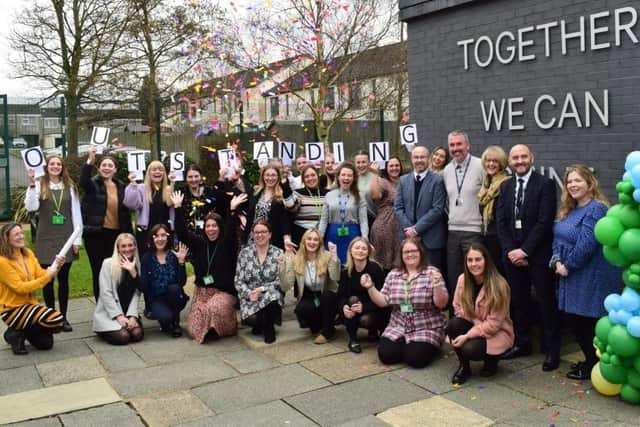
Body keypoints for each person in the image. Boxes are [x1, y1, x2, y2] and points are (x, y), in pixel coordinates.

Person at [551, 165, 621, 380]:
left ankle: (595, 363)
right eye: (569, 181)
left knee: (587, 323)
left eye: (577, 180)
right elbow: (558, 237)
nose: (572, 185)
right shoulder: (569, 210)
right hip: (569, 274)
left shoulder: (596, 208)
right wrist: (555, 259)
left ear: (590, 183)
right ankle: (591, 361)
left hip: (590, 275)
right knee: (576, 322)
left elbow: (587, 244)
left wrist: (567, 266)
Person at [496, 144, 560, 371]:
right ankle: (523, 343)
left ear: (532, 158)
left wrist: (525, 251)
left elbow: (545, 221)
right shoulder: (505, 186)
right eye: (515, 158)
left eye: (524, 157)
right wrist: (511, 251)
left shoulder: (546, 184)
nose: (520, 161)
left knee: (545, 302)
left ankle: (552, 349)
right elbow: (501, 222)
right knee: (519, 301)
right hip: (512, 255)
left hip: (539, 255)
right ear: (510, 162)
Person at [171, 190, 247, 343]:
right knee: (193, 329)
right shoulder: (200, 243)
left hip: (223, 293)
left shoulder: (226, 244)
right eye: (208, 226)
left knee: (212, 308)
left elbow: (232, 231)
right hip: (202, 292)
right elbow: (183, 233)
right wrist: (178, 208)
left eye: (214, 226)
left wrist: (232, 210)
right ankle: (210, 327)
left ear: (220, 227)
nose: (211, 229)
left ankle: (227, 324)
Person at [364, 238, 449, 368]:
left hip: (426, 326)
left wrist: (437, 285)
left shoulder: (432, 272)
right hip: (398, 325)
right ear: (401, 255)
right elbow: (383, 301)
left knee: (415, 360)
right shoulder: (393, 274)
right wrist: (370, 287)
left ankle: (431, 344)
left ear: (421, 253)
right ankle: (408, 345)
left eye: (414, 251)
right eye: (406, 252)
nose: (410, 254)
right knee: (386, 356)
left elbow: (441, 304)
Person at [25, 154, 82, 332]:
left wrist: (77, 239)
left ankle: (63, 317)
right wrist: (32, 183)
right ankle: (51, 317)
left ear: (62, 167)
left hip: (66, 237)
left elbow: (76, 213)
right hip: (46, 238)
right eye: (52, 164)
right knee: (47, 279)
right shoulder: (39, 185)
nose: (55, 166)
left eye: (58, 164)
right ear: (47, 166)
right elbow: (31, 207)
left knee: (63, 280)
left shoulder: (70, 186)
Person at [447, 243, 514, 384]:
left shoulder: (499, 285)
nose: (474, 264)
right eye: (470, 260)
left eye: (478, 259)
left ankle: (492, 360)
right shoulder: (462, 280)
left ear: (486, 261)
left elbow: (493, 325)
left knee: (469, 349)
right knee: (453, 324)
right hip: (475, 325)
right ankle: (464, 367)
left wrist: (467, 335)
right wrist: (475, 324)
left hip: (497, 332)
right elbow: (457, 308)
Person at [0, 223, 65, 355]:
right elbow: (20, 288)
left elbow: (41, 274)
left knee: (46, 344)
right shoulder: (3, 261)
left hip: (29, 306)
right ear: (7, 239)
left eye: (21, 233)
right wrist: (47, 276)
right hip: (11, 309)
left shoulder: (28, 254)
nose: (21, 236)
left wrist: (57, 267)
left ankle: (16, 333)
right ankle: (16, 333)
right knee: (56, 318)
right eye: (16, 234)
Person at [81, 146, 132, 302]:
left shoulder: (122, 186)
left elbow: (127, 210)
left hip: (117, 236)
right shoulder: (93, 184)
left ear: (115, 169)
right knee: (99, 272)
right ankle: (101, 307)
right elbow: (83, 181)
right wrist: (90, 160)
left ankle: (117, 305)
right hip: (96, 235)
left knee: (117, 272)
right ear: (99, 168)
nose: (107, 168)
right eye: (104, 165)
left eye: (110, 165)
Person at [443, 130, 485, 301]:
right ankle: (457, 319)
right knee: (454, 278)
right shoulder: (446, 170)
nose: (455, 148)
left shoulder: (481, 165)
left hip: (474, 231)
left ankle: (477, 317)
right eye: (452, 145)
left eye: (459, 144)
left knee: (475, 278)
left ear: (467, 145)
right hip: (453, 232)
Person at [282, 230, 340, 344]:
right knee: (302, 309)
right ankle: (324, 327)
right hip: (310, 295)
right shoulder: (296, 258)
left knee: (326, 297)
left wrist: (334, 255)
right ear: (304, 241)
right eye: (309, 239)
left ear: (320, 243)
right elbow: (286, 285)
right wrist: (285, 262)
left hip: (327, 295)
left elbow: (336, 277)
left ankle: (327, 332)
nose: (312, 242)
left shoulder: (327, 256)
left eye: (315, 239)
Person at [394, 146, 447, 271]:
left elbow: (437, 209)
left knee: (432, 277)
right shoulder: (403, 180)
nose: (419, 160)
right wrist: (410, 231)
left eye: (422, 157)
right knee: (409, 275)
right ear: (411, 159)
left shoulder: (437, 180)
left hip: (431, 240)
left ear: (428, 159)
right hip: (407, 238)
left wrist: (417, 229)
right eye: (416, 157)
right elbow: (398, 207)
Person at [235, 221, 286, 344]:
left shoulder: (278, 253)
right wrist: (249, 293)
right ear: (252, 234)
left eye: (263, 232)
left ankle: (269, 330)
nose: (260, 235)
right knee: (254, 318)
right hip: (250, 298)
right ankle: (261, 324)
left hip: (269, 294)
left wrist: (262, 289)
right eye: (257, 232)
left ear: (269, 235)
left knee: (272, 296)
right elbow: (238, 280)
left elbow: (281, 281)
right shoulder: (244, 253)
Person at [338, 237, 388, 353]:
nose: (360, 251)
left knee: (366, 319)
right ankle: (353, 339)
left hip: (374, 307)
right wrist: (344, 307)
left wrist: (364, 307)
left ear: (368, 252)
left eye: (364, 249)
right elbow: (341, 295)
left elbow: (383, 297)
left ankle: (374, 331)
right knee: (351, 301)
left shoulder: (375, 269)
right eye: (357, 248)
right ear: (351, 250)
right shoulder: (346, 271)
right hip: (354, 305)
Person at [93, 233, 144, 345]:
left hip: (128, 311)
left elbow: (137, 293)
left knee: (137, 334)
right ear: (118, 248)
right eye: (123, 246)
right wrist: (119, 316)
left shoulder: (138, 265)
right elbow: (106, 293)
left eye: (130, 245)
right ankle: (104, 330)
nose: (127, 249)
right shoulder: (108, 264)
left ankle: (128, 323)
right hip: (110, 313)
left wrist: (133, 316)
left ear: (135, 246)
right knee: (123, 337)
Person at [139, 224, 189, 337]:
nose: (160, 239)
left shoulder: (174, 255)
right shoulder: (146, 258)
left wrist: (181, 262)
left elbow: (182, 282)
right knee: (166, 317)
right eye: (156, 236)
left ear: (168, 237)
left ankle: (176, 324)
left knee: (174, 288)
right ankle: (166, 320)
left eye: (163, 235)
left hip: (175, 296)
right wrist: (134, 273)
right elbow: (143, 287)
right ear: (152, 238)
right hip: (156, 298)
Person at [319, 162, 369, 264]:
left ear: (353, 178)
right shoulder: (329, 195)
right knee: (333, 265)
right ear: (338, 177)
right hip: (332, 236)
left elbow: (364, 221)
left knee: (350, 265)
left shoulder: (359, 196)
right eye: (343, 175)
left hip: (353, 237)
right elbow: (323, 220)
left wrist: (364, 239)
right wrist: (319, 238)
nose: (346, 178)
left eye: (349, 175)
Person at [124, 160, 175, 256]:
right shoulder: (140, 188)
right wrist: (132, 183)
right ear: (148, 173)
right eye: (154, 169)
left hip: (165, 231)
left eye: (160, 170)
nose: (157, 172)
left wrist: (172, 182)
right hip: (146, 231)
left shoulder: (168, 188)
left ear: (164, 173)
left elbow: (170, 203)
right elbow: (131, 204)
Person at [244, 165, 294, 251]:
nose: (270, 178)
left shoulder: (282, 194)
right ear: (263, 177)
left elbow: (285, 219)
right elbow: (244, 206)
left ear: (278, 177)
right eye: (267, 175)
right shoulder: (255, 192)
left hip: (272, 240)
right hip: (253, 238)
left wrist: (286, 238)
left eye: (273, 175)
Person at [478, 146, 509, 274]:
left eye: (495, 161)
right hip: (487, 236)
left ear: (501, 163)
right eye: (488, 160)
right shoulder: (486, 184)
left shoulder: (506, 184)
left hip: (500, 240)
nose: (491, 164)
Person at [369, 156, 402, 273]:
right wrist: (374, 174)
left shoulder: (405, 181)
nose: (394, 168)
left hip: (400, 228)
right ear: (386, 168)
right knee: (382, 265)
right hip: (384, 227)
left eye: (397, 165)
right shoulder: (382, 181)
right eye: (391, 166)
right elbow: (375, 195)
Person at [181, 164, 230, 236]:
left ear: (200, 176)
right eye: (190, 177)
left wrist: (221, 177)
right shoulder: (181, 192)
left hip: (208, 234)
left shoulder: (208, 191)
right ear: (186, 178)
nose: (193, 179)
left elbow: (220, 200)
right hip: (188, 235)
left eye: (196, 176)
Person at [285, 165, 329, 246]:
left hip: (323, 235)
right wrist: (286, 187)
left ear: (318, 176)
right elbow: (291, 208)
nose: (310, 178)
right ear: (303, 179)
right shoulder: (298, 193)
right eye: (307, 176)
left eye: (313, 175)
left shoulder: (328, 193)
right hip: (302, 236)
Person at [354, 150, 378, 223]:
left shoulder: (375, 177)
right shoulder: (352, 178)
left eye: (363, 162)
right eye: (358, 162)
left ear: (369, 163)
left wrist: (376, 174)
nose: (361, 165)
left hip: (372, 218)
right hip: (356, 219)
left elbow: (378, 196)